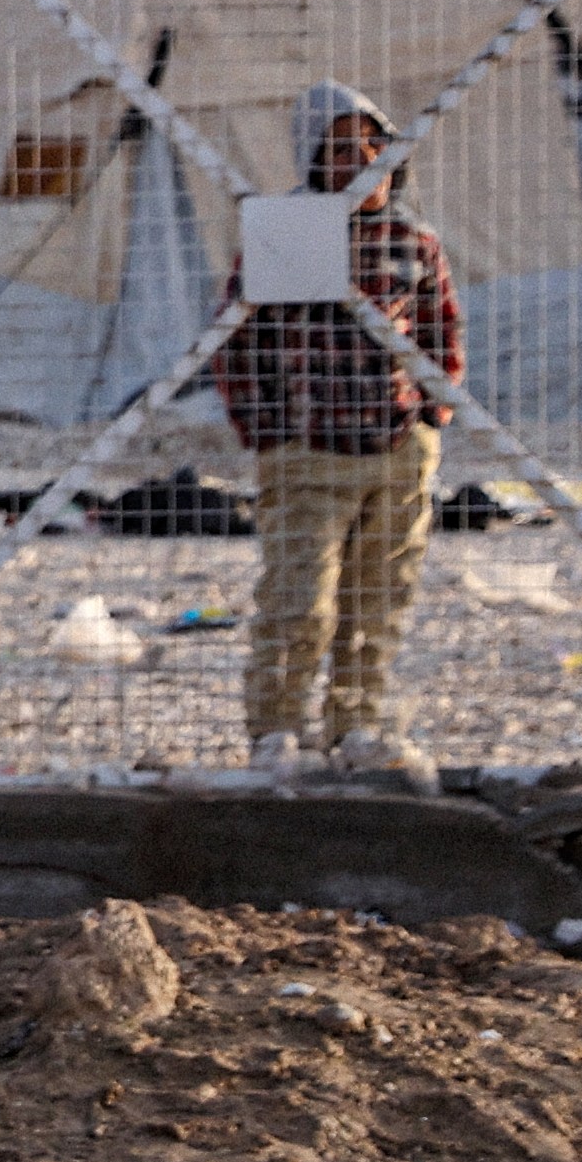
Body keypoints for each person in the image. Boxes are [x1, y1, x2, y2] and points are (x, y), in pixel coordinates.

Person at [210, 85, 463, 772]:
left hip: (396, 448)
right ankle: (278, 727)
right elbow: (238, 340)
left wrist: (433, 412)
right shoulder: (289, 234)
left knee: (378, 597)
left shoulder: (412, 241)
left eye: (373, 144)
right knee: (299, 598)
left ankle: (358, 720)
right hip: (310, 448)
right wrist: (266, 431)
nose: (363, 160)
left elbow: (443, 326)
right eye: (342, 147)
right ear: (315, 160)